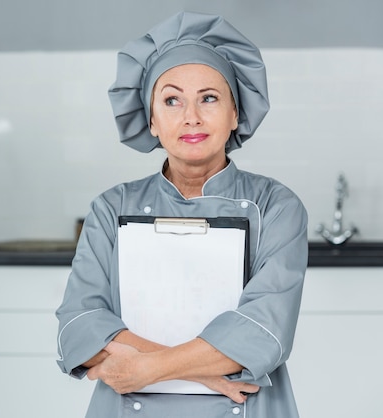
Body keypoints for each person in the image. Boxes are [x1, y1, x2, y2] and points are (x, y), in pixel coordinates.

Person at [55, 11, 308, 418]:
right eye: (172, 100)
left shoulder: (277, 206)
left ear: (235, 114)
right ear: (152, 120)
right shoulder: (111, 208)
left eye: (209, 98)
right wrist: (203, 374)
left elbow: (262, 333)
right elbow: (79, 326)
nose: (191, 116)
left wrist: (146, 368)